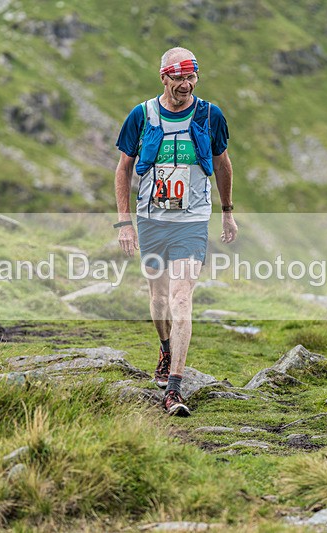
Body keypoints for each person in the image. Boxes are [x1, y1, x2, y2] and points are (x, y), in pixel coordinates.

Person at [114, 47, 238, 417]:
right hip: (152, 219)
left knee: (181, 298)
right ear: (164, 77)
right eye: (179, 78)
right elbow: (123, 169)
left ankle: (174, 388)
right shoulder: (142, 115)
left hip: (192, 221)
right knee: (159, 299)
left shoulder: (210, 115)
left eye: (191, 77)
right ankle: (165, 348)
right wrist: (124, 222)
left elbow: (223, 164)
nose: (186, 85)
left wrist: (227, 212)